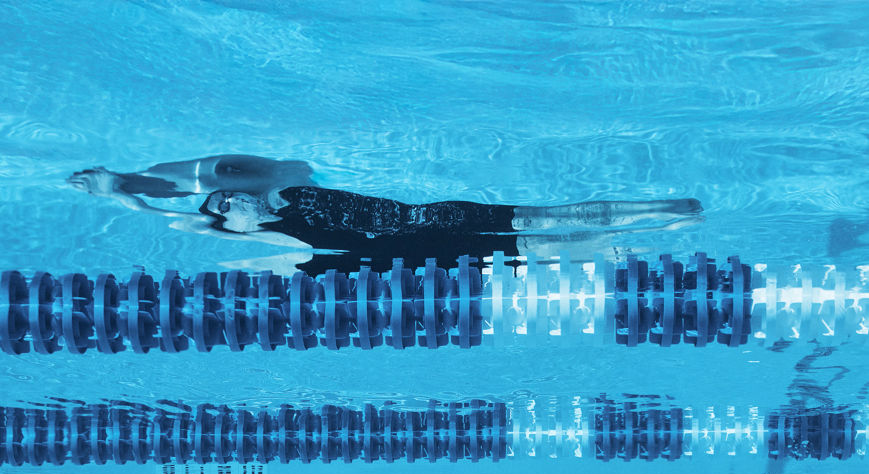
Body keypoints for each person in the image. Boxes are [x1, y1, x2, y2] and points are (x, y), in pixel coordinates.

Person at [68, 154, 703, 276]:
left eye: (227, 196)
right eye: (222, 209)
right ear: (224, 225)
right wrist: (121, 193)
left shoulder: (284, 191)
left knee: (548, 214)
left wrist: (130, 177)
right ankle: (659, 238)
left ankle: (662, 208)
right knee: (548, 250)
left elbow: (213, 176)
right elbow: (175, 216)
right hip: (425, 252)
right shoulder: (274, 234)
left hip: (436, 215)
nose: (229, 200)